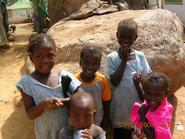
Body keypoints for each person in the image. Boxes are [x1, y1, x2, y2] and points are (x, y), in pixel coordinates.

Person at [16, 33, 81, 139]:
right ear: (31, 58)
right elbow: (30, 114)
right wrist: (43, 105)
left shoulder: (64, 77)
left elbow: (81, 98)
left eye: (50, 55)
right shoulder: (26, 83)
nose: (45, 60)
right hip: (45, 135)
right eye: (39, 56)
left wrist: (61, 101)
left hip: (68, 133)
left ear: (55, 54)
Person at [104, 19, 151, 139]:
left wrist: (141, 81)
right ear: (117, 36)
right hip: (120, 111)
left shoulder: (140, 57)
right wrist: (124, 60)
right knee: (121, 136)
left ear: (135, 38)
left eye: (130, 37)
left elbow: (147, 79)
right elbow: (114, 81)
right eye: (122, 36)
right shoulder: (112, 58)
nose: (126, 40)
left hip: (138, 112)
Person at [75, 45, 112, 126]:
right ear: (80, 63)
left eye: (94, 64)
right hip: (79, 124)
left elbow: (106, 101)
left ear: (99, 65)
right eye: (86, 63)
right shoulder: (74, 81)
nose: (90, 67)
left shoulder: (102, 80)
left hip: (97, 122)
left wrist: (106, 119)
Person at [130, 72, 173, 139]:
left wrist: (143, 118)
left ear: (166, 94)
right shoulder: (152, 103)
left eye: (157, 94)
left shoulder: (162, 116)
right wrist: (137, 85)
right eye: (148, 93)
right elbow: (145, 99)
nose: (152, 98)